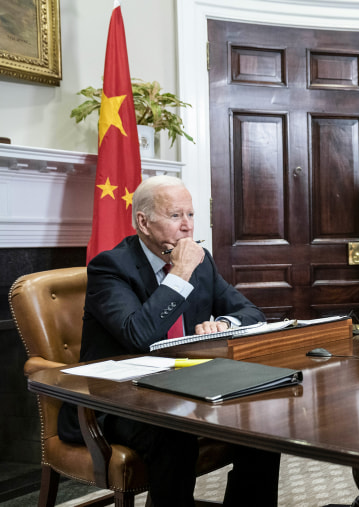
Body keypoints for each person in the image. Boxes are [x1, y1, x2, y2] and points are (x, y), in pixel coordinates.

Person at [57, 175, 280, 507]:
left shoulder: (201, 265)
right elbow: (140, 335)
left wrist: (222, 323)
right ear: (143, 222)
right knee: (174, 430)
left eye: (190, 215)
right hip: (117, 402)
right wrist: (180, 274)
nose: (187, 227)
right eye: (176, 216)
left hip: (187, 386)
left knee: (262, 420)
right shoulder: (110, 269)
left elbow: (251, 313)